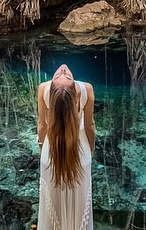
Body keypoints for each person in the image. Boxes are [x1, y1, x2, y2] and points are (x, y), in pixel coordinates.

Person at [37, 64, 95, 230]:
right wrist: (91, 150)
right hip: (81, 154)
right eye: (64, 75)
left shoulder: (43, 88)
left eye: (64, 75)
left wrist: (42, 148)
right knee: (80, 200)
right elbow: (90, 125)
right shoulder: (87, 89)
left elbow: (42, 125)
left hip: (51, 153)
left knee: (52, 203)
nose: (63, 69)